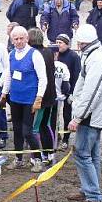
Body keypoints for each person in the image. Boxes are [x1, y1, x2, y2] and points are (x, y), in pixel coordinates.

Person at [67, 23, 102, 202]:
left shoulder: (97, 59)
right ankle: (89, 189)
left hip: (90, 115)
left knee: (82, 153)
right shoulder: (96, 54)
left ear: (82, 42)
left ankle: (94, 195)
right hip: (93, 114)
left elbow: (92, 91)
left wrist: (78, 116)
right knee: (92, 154)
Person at [0, 26, 47, 172]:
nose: (19, 41)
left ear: (27, 39)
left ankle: (38, 160)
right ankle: (18, 159)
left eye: (21, 38)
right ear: (12, 40)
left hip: (29, 100)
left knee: (27, 131)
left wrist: (39, 98)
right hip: (15, 99)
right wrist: (4, 93)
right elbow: (8, 75)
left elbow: (42, 78)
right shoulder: (11, 54)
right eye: (16, 39)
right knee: (17, 130)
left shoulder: (34, 54)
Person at [28, 28, 58, 165]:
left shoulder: (34, 54)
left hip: (40, 97)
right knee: (44, 126)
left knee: (34, 127)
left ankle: (37, 156)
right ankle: (49, 153)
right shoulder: (48, 51)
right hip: (50, 95)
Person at [56, 35, 81, 149]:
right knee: (54, 116)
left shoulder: (74, 56)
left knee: (67, 115)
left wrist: (72, 93)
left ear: (67, 44)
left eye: (60, 42)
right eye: (57, 42)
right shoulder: (55, 55)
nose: (58, 45)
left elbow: (77, 76)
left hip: (68, 91)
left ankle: (66, 138)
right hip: (56, 91)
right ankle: (56, 136)